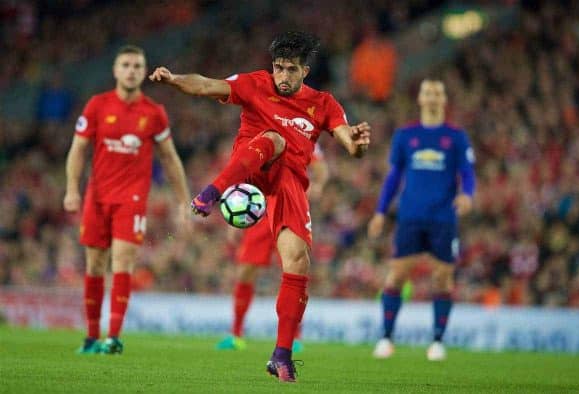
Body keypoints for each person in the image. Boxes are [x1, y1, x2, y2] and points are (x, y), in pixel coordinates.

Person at [150, 31, 370, 382]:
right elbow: (208, 86)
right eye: (278, 68)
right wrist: (175, 79)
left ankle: (281, 355)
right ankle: (211, 193)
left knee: (298, 262)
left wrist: (357, 144)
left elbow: (348, 141)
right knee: (274, 138)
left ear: (305, 72)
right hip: (248, 170)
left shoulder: (324, 104)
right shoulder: (255, 84)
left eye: (291, 70)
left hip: (288, 183)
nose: (282, 76)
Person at [64, 45, 191, 355]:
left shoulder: (154, 112)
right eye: (126, 65)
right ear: (116, 70)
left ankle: (114, 337)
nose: (132, 70)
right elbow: (78, 148)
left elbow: (171, 158)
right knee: (94, 264)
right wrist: (71, 189)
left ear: (143, 71)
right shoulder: (97, 105)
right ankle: (92, 337)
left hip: (132, 198)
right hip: (98, 196)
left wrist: (182, 200)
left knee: (122, 261)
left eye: (137, 65)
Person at [368, 79, 476, 361]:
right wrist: (380, 211)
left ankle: (438, 341)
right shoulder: (406, 135)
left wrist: (467, 195)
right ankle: (386, 337)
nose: (431, 97)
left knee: (443, 277)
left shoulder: (456, 136)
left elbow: (467, 171)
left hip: (443, 216)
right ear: (419, 98)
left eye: (437, 93)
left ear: (444, 99)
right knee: (398, 274)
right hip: (410, 215)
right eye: (427, 92)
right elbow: (393, 177)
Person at [216, 144, 329, 352]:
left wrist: (318, 185)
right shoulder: (258, 136)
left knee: (293, 270)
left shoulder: (300, 132)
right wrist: (234, 219)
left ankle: (294, 336)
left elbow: (320, 168)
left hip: (288, 207)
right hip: (258, 210)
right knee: (245, 270)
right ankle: (236, 334)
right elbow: (241, 171)